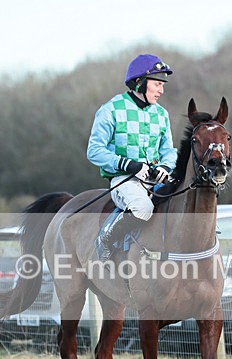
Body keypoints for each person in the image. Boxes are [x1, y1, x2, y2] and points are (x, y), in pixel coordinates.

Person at [87, 53, 177, 260]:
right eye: (157, 84)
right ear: (139, 83)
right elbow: (94, 150)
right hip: (124, 181)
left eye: (162, 85)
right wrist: (128, 165)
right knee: (143, 208)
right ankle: (105, 240)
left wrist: (165, 167)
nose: (161, 90)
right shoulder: (111, 109)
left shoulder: (162, 114)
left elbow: (169, 151)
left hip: (155, 179)